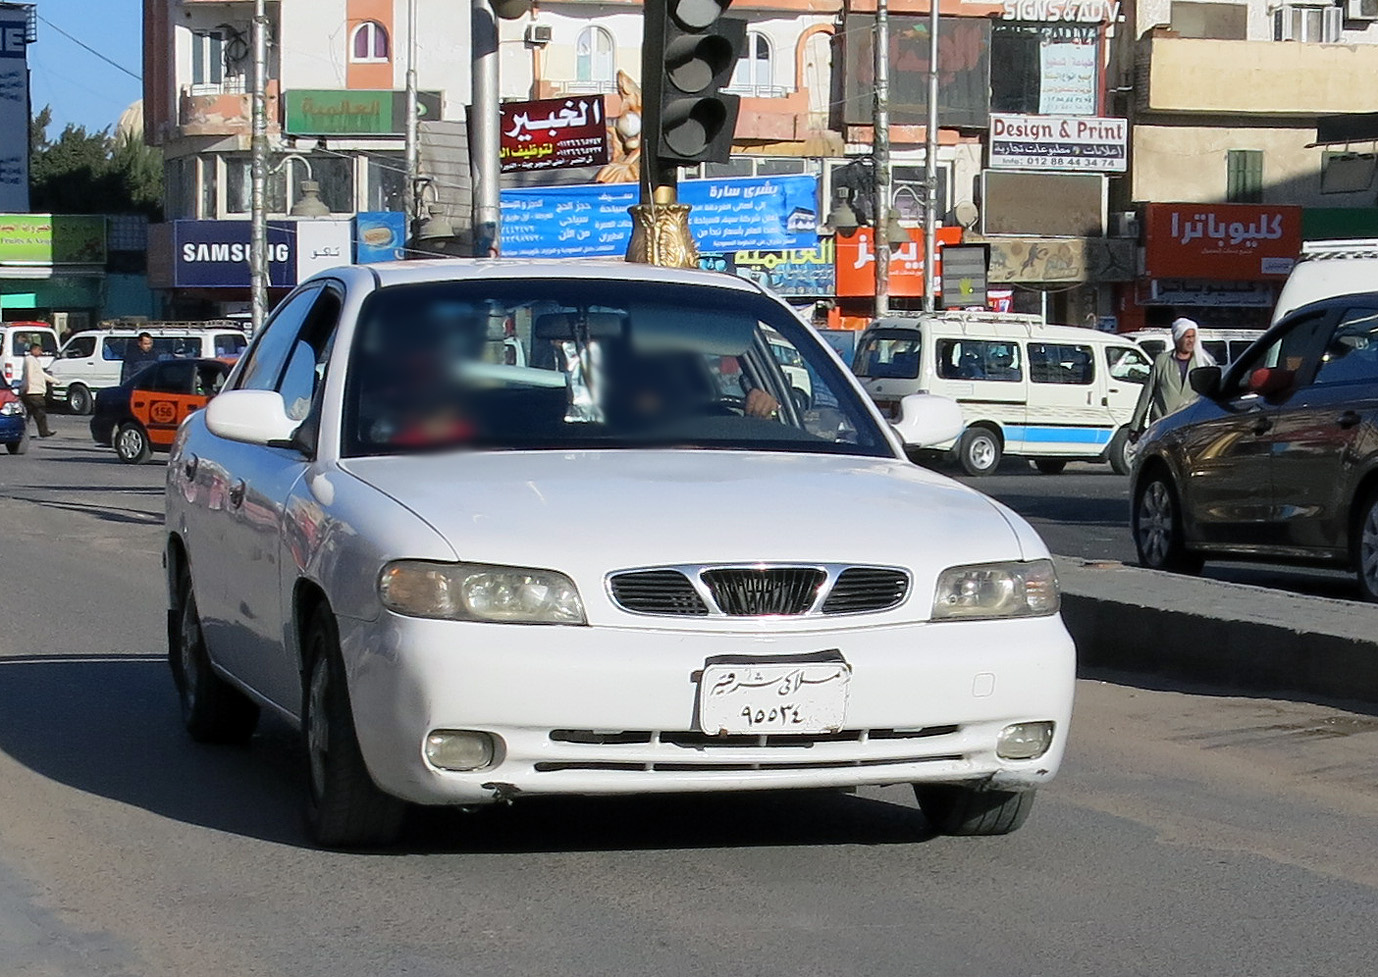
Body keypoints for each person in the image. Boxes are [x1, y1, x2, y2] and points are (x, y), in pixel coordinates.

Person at [1129, 317, 1213, 441]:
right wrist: (1136, 426)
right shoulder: (1162, 361)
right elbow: (1147, 395)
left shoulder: (1202, 364)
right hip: (1162, 427)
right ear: (1177, 338)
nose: (1191, 341)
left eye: (1193, 337)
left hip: (1189, 428)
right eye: (1187, 337)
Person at [19, 344, 58, 439]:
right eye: (39, 350)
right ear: (33, 350)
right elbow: (29, 374)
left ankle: (23, 431)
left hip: (33, 390)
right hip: (33, 391)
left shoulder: (34, 360)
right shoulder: (30, 360)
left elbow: (41, 374)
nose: (41, 353)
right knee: (39, 412)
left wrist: (54, 381)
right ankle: (43, 432)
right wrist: (27, 387)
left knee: (29, 413)